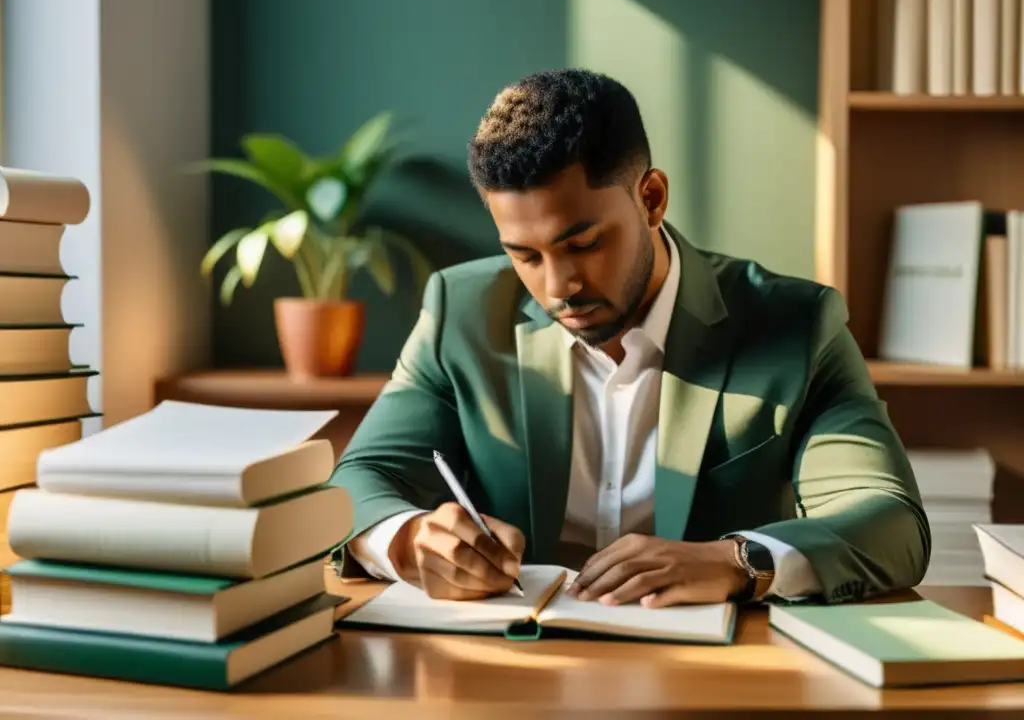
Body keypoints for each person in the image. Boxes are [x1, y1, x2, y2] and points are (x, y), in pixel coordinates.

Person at [328, 68, 930, 608]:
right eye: (524, 255)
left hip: (713, 676)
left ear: (651, 198)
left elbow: (891, 523)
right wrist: (406, 540)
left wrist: (737, 561)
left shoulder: (796, 325)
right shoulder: (459, 313)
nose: (558, 285)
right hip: (518, 667)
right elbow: (358, 481)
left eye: (583, 244)